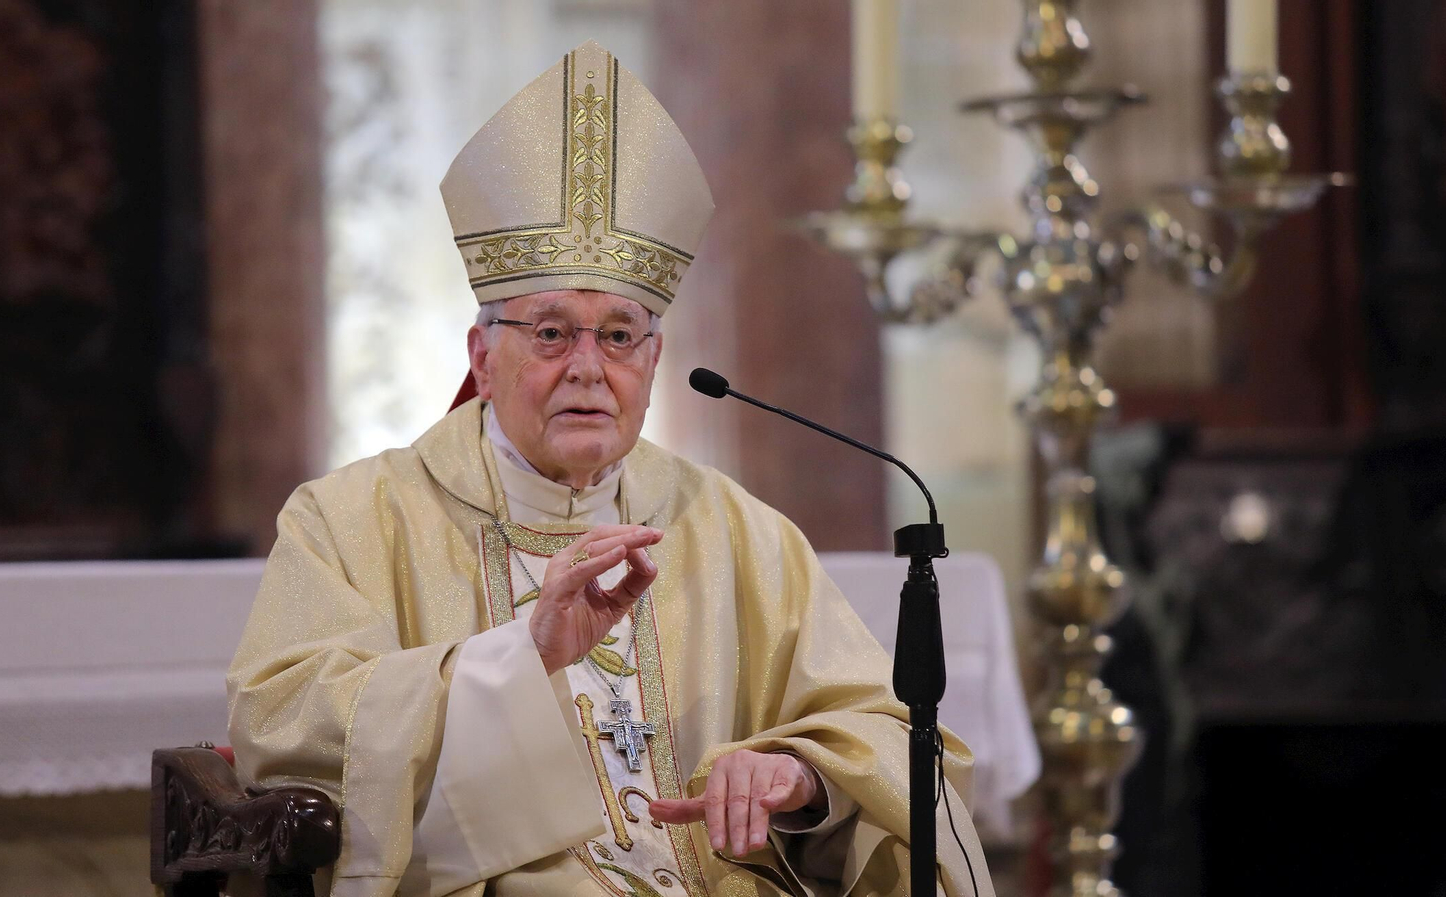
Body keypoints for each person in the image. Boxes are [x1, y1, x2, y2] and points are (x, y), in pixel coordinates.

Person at [227, 40, 989, 897]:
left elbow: (894, 734)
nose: (589, 365)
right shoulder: (353, 518)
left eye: (619, 334)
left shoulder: (738, 530)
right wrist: (518, 657)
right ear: (482, 354)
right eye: (550, 332)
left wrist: (800, 772)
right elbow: (283, 720)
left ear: (655, 357)